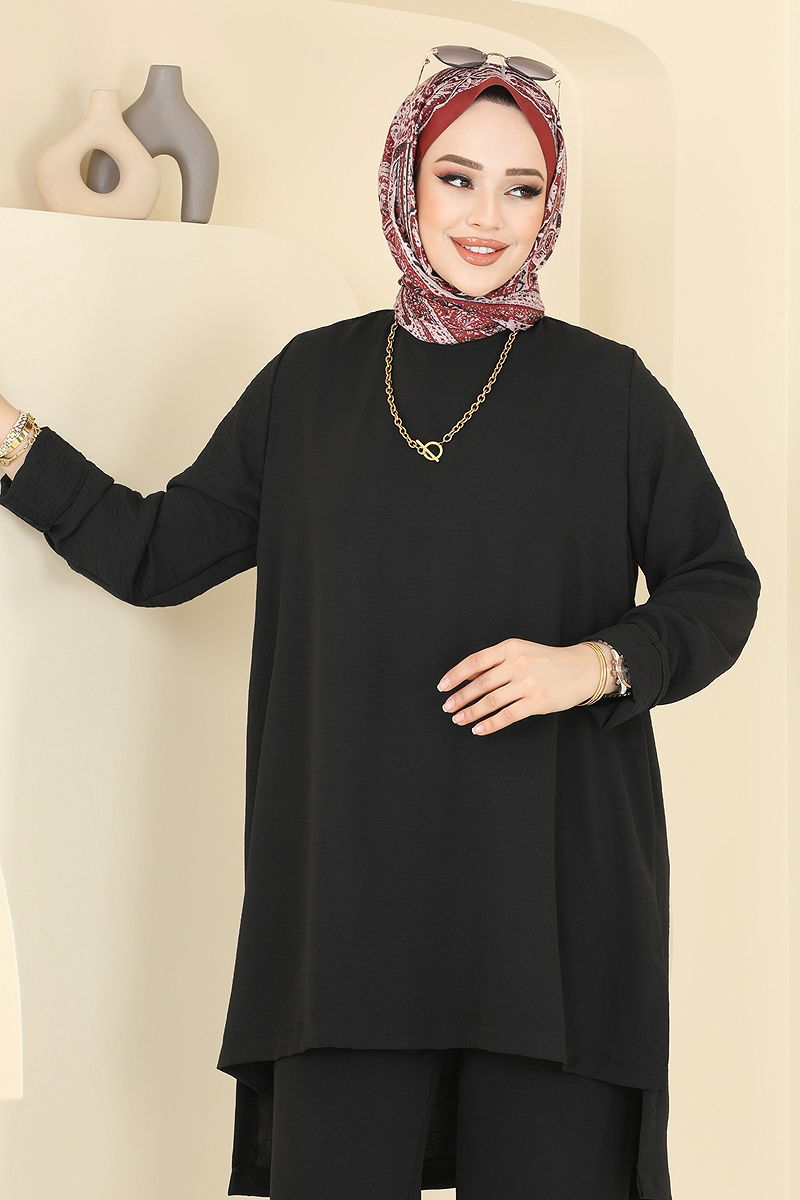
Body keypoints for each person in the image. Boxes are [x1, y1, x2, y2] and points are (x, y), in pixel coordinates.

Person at [0, 47, 760, 1200]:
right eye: (457, 177)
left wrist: (597, 663)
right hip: (348, 917)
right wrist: (11, 437)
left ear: (550, 205)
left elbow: (716, 583)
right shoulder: (311, 385)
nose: (486, 217)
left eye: (520, 187)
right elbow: (153, 554)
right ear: (405, 178)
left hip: (548, 918)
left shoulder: (606, 393)